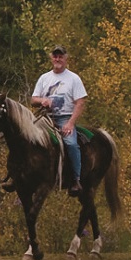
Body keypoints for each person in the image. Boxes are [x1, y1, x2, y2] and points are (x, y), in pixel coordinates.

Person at [31, 45, 87, 197]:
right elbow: (33, 99)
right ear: (51, 58)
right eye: (55, 56)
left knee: (71, 143)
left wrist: (70, 123)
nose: (58, 59)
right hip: (46, 117)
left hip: (64, 117)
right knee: (27, 138)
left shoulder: (74, 78)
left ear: (65, 58)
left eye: (60, 56)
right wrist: (42, 100)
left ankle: (75, 179)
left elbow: (80, 102)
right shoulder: (44, 78)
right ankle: (23, 179)